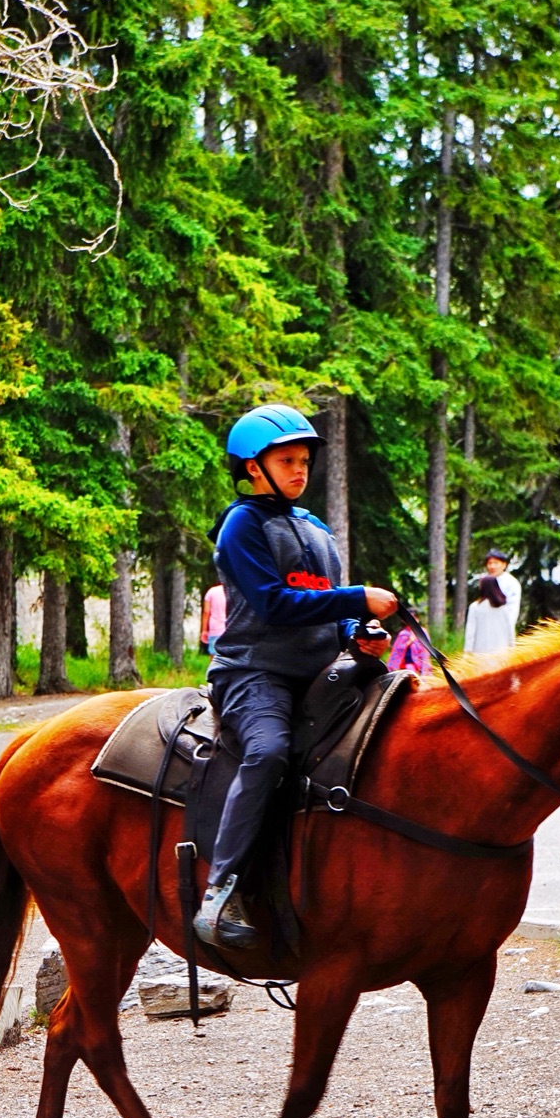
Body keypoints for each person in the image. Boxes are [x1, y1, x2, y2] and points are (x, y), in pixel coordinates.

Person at [194, 404, 397, 951]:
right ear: (253, 467)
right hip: (253, 673)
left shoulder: (315, 529)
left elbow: (331, 609)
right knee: (269, 752)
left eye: (304, 460)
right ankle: (220, 892)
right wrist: (357, 596)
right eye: (287, 460)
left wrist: (360, 628)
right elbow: (275, 604)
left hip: (321, 672)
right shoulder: (242, 525)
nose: (300, 470)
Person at [464, 547, 521, 656]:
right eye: (490, 563)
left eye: (496, 563)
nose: (492, 566)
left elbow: (511, 613)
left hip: (501, 634)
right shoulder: (485, 582)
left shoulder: (511, 583)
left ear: (504, 565)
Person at [200, 583, 227, 654]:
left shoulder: (211, 591)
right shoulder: (233, 591)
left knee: (214, 657)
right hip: (229, 628)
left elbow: (206, 612)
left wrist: (204, 630)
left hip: (215, 629)